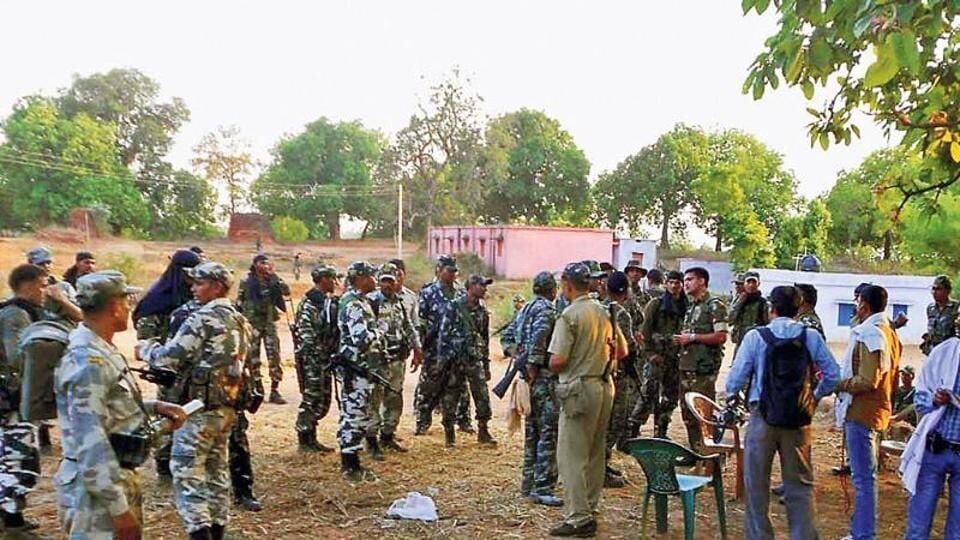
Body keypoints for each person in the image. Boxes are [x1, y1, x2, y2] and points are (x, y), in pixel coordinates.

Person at [55, 270, 187, 539]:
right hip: (95, 496)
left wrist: (153, 406)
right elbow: (90, 440)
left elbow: (107, 405)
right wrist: (117, 509)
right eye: (126, 301)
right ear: (115, 306)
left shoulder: (101, 349)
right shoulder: (88, 360)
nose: (129, 308)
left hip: (111, 479)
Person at [138, 262, 252, 539]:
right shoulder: (240, 320)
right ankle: (218, 530)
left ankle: (200, 532)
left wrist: (147, 349)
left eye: (199, 283)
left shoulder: (202, 318)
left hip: (197, 410)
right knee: (216, 472)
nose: (193, 289)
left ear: (216, 287)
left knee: (187, 473)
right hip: (226, 408)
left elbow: (169, 358)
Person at [725, 285, 841, 540]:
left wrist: (736, 399)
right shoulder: (810, 336)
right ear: (798, 309)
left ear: (771, 308)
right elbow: (833, 375)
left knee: (756, 486)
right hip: (798, 420)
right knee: (800, 486)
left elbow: (734, 382)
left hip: (762, 417)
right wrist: (813, 397)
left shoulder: (756, 337)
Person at [546, 262, 628, 537]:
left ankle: (578, 518)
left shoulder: (569, 315)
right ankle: (590, 507)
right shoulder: (603, 311)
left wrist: (549, 363)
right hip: (604, 386)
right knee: (595, 452)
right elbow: (623, 351)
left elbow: (558, 360)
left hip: (579, 390)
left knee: (571, 457)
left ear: (567, 284)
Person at [835, 284, 902, 540]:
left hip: (863, 412)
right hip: (876, 410)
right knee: (865, 477)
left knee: (863, 478)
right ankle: (861, 531)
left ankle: (863, 534)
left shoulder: (871, 333)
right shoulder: (888, 331)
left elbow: (867, 380)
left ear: (863, 304)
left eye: (858, 302)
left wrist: (838, 384)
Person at [132, 248, 203, 477]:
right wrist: (161, 354)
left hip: (193, 368)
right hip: (168, 368)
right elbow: (145, 338)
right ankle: (164, 463)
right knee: (168, 413)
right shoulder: (158, 299)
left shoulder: (195, 299)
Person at [502, 272, 561, 507]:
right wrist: (532, 367)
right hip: (542, 379)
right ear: (552, 290)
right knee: (547, 434)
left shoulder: (525, 308)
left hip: (528, 379)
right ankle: (543, 488)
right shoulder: (546, 310)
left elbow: (507, 337)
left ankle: (528, 485)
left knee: (532, 434)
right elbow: (539, 341)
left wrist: (517, 354)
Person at [0, 264, 48, 530]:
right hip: (13, 399)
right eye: (42, 286)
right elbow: (18, 358)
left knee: (12, 455)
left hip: (12, 397)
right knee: (20, 457)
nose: (45, 292)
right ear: (28, 286)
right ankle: (10, 515)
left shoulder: (17, 311)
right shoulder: (16, 314)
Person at [900, 335, 960, 538]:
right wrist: (934, 400)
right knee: (918, 527)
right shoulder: (945, 352)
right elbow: (921, 398)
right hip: (935, 450)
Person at [365, 263, 420, 457]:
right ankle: (371, 440)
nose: (388, 285)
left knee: (394, 398)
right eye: (384, 281)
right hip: (378, 361)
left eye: (391, 281)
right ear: (379, 282)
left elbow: (409, 326)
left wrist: (417, 349)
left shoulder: (400, 302)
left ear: (397, 281)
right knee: (374, 399)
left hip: (397, 358)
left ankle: (388, 435)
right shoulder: (370, 302)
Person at [337, 261, 386, 481]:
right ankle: (350, 466)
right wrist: (379, 334)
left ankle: (353, 461)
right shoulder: (353, 304)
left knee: (358, 413)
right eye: (371, 276)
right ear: (361, 278)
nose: (375, 280)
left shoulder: (360, 301)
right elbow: (361, 339)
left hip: (362, 368)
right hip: (355, 368)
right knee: (353, 415)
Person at [439, 274, 497, 447]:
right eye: (481, 285)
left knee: (482, 395)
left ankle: (483, 430)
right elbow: (443, 334)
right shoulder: (454, 306)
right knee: (451, 396)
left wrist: (486, 364)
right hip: (455, 360)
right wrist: (442, 361)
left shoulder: (482, 311)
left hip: (474, 359)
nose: (485, 289)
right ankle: (449, 432)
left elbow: (484, 339)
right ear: (470, 287)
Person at [675, 267, 728, 452]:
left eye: (690, 279)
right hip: (687, 367)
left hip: (703, 370)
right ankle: (696, 451)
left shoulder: (714, 305)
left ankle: (710, 457)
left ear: (702, 281)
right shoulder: (692, 306)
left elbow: (721, 336)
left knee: (703, 414)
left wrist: (692, 338)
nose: (686, 284)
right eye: (685, 280)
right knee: (688, 413)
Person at [629, 270, 686, 439]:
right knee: (648, 395)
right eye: (671, 282)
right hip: (657, 358)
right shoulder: (656, 304)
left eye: (677, 283)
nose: (674, 286)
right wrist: (650, 354)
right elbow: (644, 332)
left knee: (670, 397)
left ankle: (661, 431)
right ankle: (634, 429)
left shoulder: (686, 306)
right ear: (666, 283)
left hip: (676, 359)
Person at [293, 264, 341, 453]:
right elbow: (306, 335)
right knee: (311, 398)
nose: (335, 282)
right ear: (323, 280)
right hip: (312, 360)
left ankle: (311, 437)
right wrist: (318, 354)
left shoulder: (324, 302)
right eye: (332, 278)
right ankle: (305, 438)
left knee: (321, 399)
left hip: (323, 358)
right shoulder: (309, 304)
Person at [413, 255, 460, 435]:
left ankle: (461, 421)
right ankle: (422, 421)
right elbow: (421, 322)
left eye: (454, 271)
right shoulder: (428, 293)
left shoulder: (460, 293)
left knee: (458, 386)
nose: (452, 274)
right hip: (433, 347)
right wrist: (420, 347)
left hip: (456, 348)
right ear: (439, 271)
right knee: (428, 387)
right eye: (449, 271)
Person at [237, 254, 291, 405]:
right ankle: (257, 389)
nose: (265, 265)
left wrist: (274, 276)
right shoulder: (247, 281)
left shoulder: (272, 280)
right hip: (252, 324)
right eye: (262, 263)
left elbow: (286, 291)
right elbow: (239, 303)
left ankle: (274, 390)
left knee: (274, 356)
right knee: (253, 357)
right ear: (255, 265)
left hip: (269, 323)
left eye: (267, 263)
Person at [600, 271, 637, 488]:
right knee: (614, 422)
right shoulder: (620, 313)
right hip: (618, 375)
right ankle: (601, 468)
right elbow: (628, 348)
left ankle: (602, 464)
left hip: (602, 373)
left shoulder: (598, 308)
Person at [26, 246, 83, 325]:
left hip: (63, 329)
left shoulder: (64, 287)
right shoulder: (24, 289)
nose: (46, 266)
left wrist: (62, 300)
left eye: (48, 263)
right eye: (41, 264)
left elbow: (80, 316)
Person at [728, 271, 769, 353]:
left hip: (756, 344)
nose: (751, 285)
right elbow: (729, 320)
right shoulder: (739, 300)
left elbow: (768, 325)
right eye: (748, 282)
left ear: (758, 284)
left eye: (754, 282)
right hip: (740, 343)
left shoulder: (763, 303)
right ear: (744, 284)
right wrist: (739, 303)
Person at [921, 275, 959, 356]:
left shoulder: (956, 307)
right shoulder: (930, 308)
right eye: (933, 289)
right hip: (933, 352)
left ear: (948, 291)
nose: (934, 292)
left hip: (950, 352)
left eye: (938, 289)